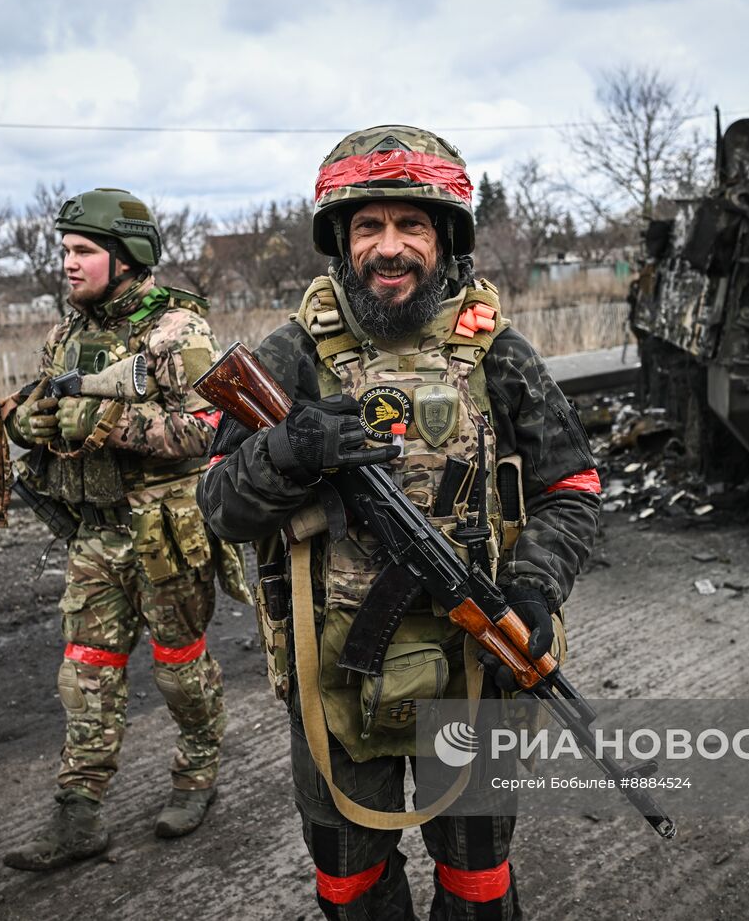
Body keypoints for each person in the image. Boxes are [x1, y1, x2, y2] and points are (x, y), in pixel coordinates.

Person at [198, 126, 601, 920]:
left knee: (479, 878)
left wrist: (533, 586)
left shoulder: (498, 354)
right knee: (350, 882)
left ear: (445, 235)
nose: (390, 248)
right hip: (334, 679)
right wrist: (287, 450)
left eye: (411, 224)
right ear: (340, 243)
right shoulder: (290, 356)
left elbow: (574, 484)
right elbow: (219, 506)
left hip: (473, 671)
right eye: (368, 227)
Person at [2, 188, 233, 872]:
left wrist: (114, 424)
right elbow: (36, 409)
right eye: (64, 251)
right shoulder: (64, 335)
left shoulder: (178, 332)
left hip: (164, 532)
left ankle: (196, 776)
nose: (68, 264)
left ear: (126, 256)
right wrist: (29, 424)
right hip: (94, 534)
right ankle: (78, 814)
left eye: (82, 251)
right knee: (86, 674)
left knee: (180, 669)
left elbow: (209, 427)